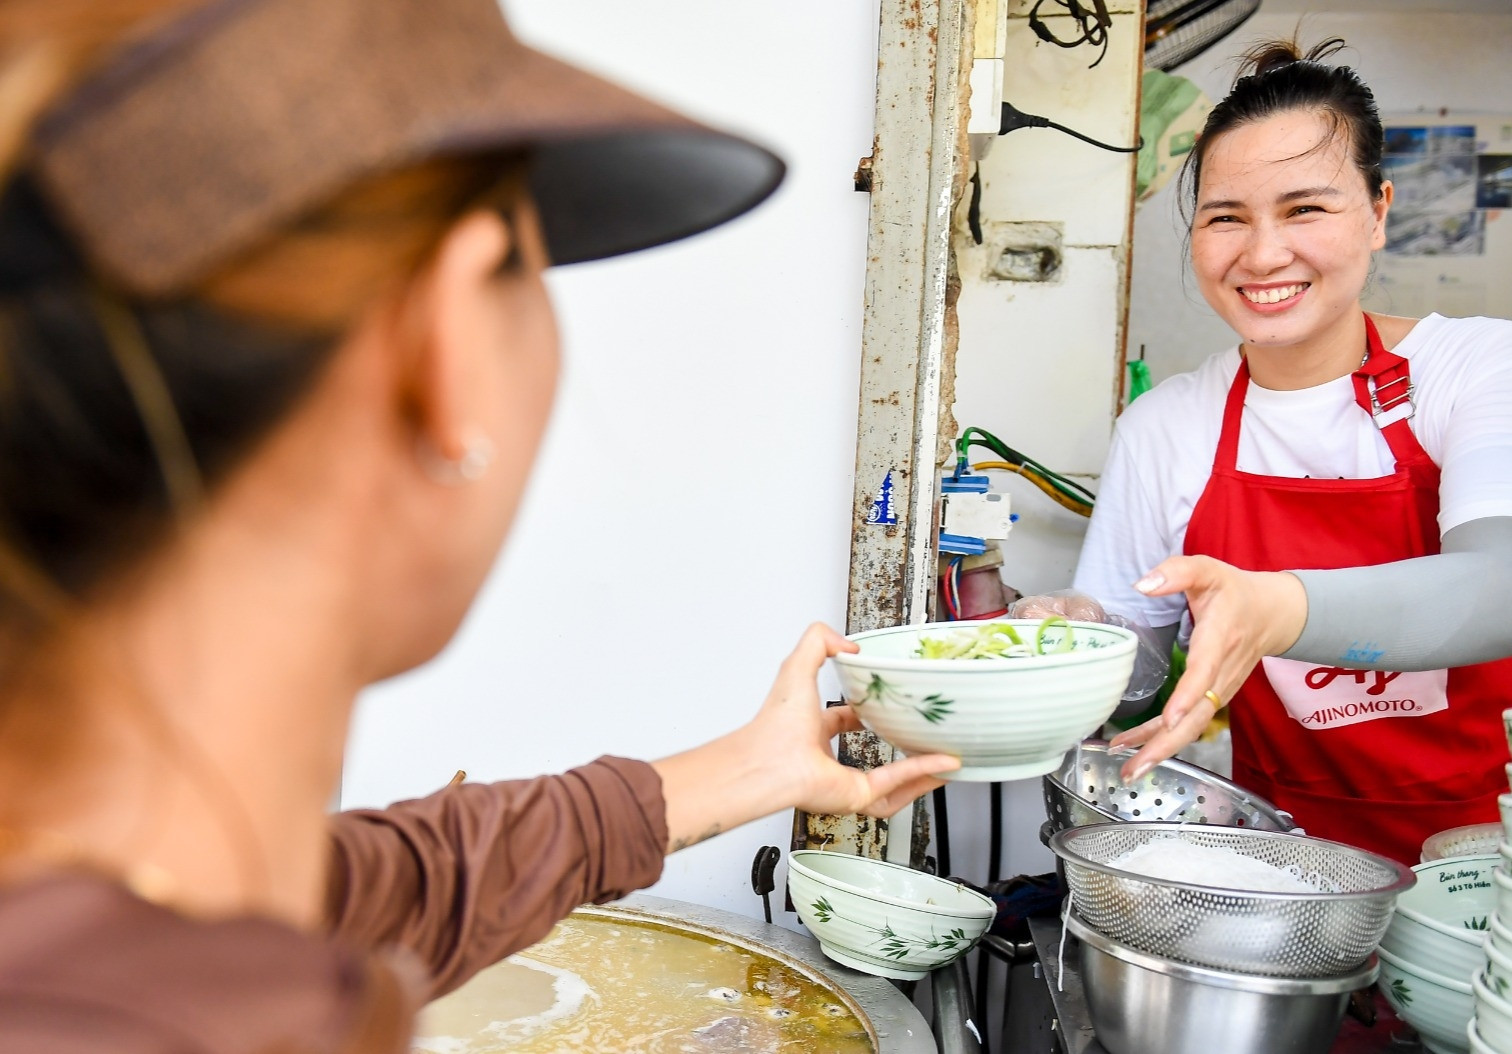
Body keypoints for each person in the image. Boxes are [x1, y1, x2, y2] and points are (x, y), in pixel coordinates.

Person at [0, 1, 957, 1049]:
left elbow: (377, 888)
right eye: (531, 265)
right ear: (445, 341)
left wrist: (755, 766)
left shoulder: (119, 915)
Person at [1068, 38, 1512, 865]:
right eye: (1225, 216)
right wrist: (1063, 630)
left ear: (1378, 212)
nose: (1262, 254)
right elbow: (1132, 670)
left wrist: (1273, 608)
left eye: (1304, 209)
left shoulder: (1477, 365)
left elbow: (1506, 594)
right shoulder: (1165, 425)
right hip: (1298, 854)